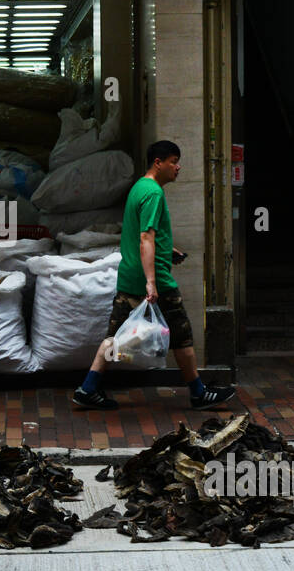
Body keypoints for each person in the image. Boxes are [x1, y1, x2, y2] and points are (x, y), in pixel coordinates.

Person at [72, 139, 238, 412]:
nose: (178, 167)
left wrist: (167, 249)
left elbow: (148, 235)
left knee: (113, 337)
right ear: (158, 163)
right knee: (182, 334)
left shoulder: (139, 187)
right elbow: (145, 237)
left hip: (129, 276)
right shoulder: (153, 193)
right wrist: (151, 281)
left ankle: (88, 388)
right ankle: (198, 393)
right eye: (173, 161)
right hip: (154, 278)